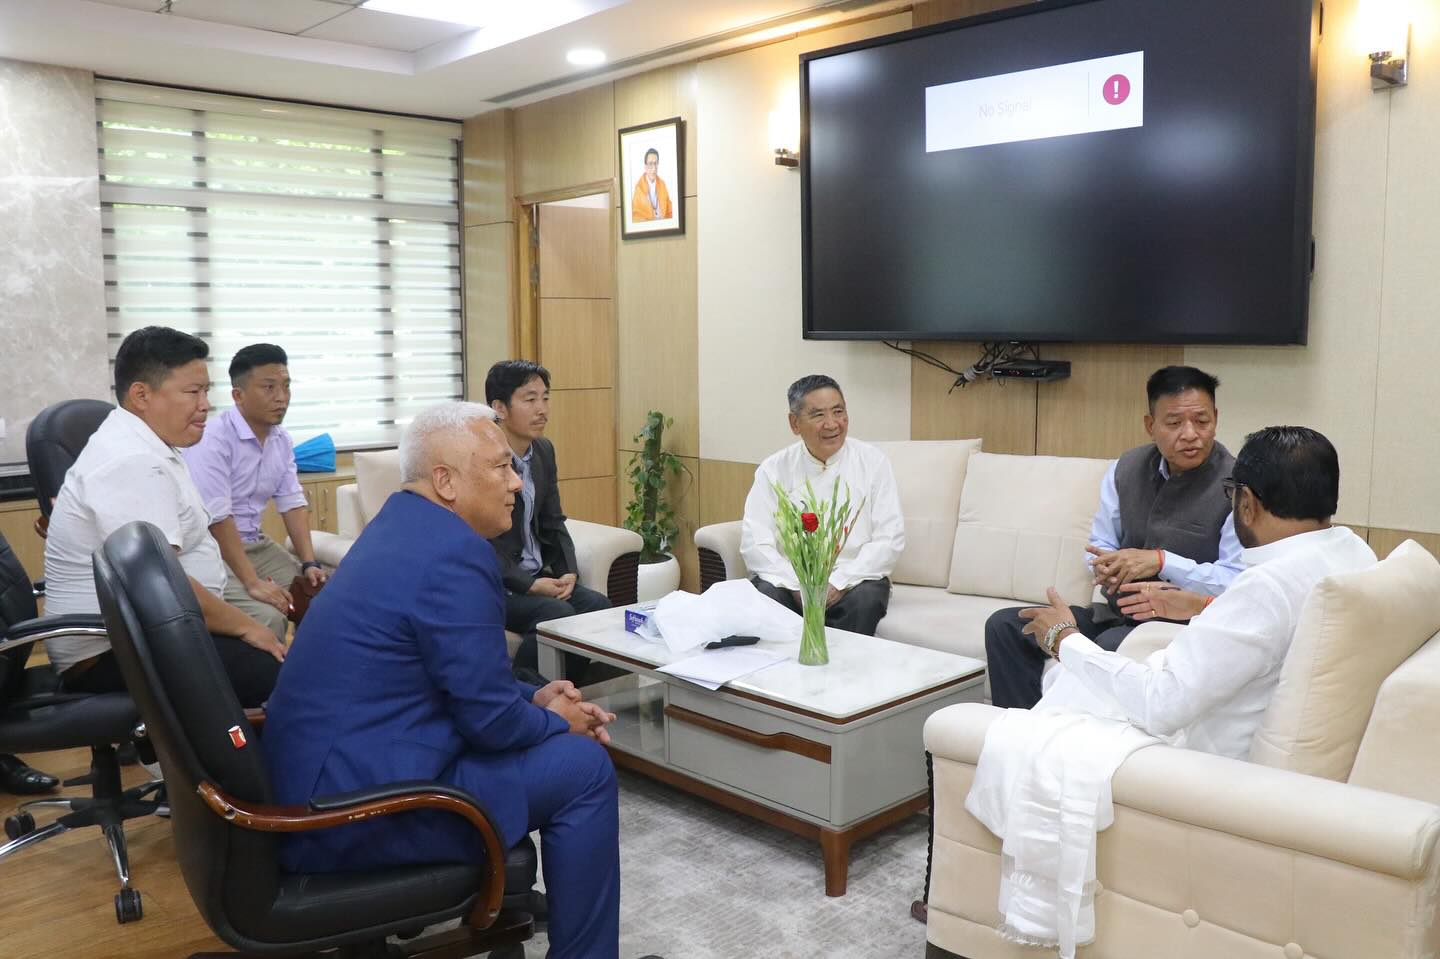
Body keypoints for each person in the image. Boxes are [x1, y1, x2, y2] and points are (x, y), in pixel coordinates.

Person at [262, 401, 654, 959]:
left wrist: (536, 697)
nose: (516, 482)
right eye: (501, 467)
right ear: (445, 481)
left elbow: (454, 673)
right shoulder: (455, 554)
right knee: (583, 768)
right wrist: (557, 721)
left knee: (557, 745)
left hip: (325, 778)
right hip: (354, 813)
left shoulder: (400, 525)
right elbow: (491, 723)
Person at [1017, 425, 1375, 757]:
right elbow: (1282, 627)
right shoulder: (1354, 551)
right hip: (1267, 726)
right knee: (1074, 684)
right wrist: (1205, 605)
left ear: (1247, 503)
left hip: (1202, 763)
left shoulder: (1267, 586)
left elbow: (1160, 706)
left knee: (1047, 712)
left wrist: (1064, 639)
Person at [42, 326, 283, 708]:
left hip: (149, 630)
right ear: (142, 395)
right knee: (273, 672)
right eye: (193, 392)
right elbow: (162, 586)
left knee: (272, 661)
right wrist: (247, 626)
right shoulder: (131, 461)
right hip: (111, 652)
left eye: (206, 391)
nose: (205, 405)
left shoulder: (150, 447)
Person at [984, 366, 1244, 709]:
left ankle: (1056, 733)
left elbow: (1236, 580)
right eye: (1174, 423)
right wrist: (1104, 565)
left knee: (1108, 646)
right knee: (1008, 626)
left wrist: (1163, 561)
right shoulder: (1126, 468)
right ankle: (1019, 729)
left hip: (1180, 627)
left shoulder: (1237, 487)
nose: (1190, 434)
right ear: (1150, 425)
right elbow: (1100, 544)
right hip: (1115, 612)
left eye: (1202, 421)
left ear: (1216, 419)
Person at [182, 343, 325, 642]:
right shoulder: (213, 438)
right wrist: (252, 582)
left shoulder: (281, 440)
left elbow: (292, 502)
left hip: (255, 543)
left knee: (321, 598)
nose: (281, 397)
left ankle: (309, 668)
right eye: (269, 387)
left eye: (286, 386)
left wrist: (309, 563)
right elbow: (218, 518)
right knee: (268, 617)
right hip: (215, 549)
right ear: (238, 395)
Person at [741, 374, 905, 636]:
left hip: (854, 579)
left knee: (866, 600)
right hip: (790, 581)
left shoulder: (873, 463)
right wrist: (797, 586)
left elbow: (889, 538)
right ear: (794, 423)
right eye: (818, 415)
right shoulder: (773, 470)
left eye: (838, 412)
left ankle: (840, 664)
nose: (832, 424)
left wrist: (838, 583)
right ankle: (786, 665)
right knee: (764, 596)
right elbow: (755, 542)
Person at [484, 360, 610, 677]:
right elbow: (481, 538)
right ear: (499, 408)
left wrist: (568, 571)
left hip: (538, 575)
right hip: (497, 584)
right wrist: (528, 585)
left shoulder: (543, 450)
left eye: (545, 398)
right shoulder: (482, 458)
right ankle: (523, 691)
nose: (542, 410)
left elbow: (554, 520)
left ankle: (572, 691)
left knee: (599, 608)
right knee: (556, 612)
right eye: (530, 400)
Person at [630, 147, 673, 222]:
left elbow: (669, 211)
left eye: (655, 163)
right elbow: (636, 215)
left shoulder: (662, 184)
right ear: (645, 166)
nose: (654, 168)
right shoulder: (639, 188)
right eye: (650, 164)